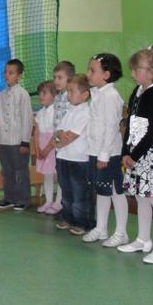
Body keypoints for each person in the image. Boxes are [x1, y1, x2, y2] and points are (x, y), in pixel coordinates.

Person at [117, 45, 153, 264]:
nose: (133, 73)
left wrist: (135, 155)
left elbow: (152, 132)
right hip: (134, 154)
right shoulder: (137, 92)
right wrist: (126, 151)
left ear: (152, 71)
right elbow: (129, 124)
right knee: (140, 197)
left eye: (136, 69)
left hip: (149, 156)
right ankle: (143, 239)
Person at [82, 53, 129, 247]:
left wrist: (104, 155)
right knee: (102, 191)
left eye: (92, 70)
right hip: (96, 151)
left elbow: (111, 127)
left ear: (106, 75)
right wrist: (91, 151)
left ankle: (121, 233)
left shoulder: (110, 96)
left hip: (109, 154)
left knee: (116, 191)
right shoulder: (97, 94)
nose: (88, 74)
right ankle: (101, 228)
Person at [54, 74, 92, 235]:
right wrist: (60, 137)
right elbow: (59, 130)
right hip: (63, 157)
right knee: (66, 191)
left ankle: (82, 223)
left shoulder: (86, 112)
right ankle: (68, 218)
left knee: (79, 193)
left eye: (72, 91)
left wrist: (59, 142)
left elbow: (71, 136)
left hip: (78, 159)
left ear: (85, 95)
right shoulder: (70, 110)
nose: (68, 95)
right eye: (68, 91)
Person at [0, 59, 33, 211]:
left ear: (19, 75)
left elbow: (27, 118)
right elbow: (0, 117)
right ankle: (9, 198)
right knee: (7, 171)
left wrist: (25, 141)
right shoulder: (0, 95)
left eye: (11, 72)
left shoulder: (23, 95)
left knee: (21, 171)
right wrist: (0, 138)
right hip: (4, 141)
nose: (7, 75)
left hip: (18, 141)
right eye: (5, 72)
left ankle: (23, 199)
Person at [45, 61, 76, 215]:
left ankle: (64, 203)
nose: (56, 81)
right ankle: (60, 202)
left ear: (69, 79)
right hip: (59, 143)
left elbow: (70, 122)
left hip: (68, 143)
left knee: (68, 177)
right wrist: (55, 140)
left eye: (60, 77)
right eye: (54, 77)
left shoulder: (70, 98)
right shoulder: (58, 98)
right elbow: (56, 122)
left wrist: (63, 139)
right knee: (61, 175)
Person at [34, 80, 57, 213]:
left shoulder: (56, 112)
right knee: (47, 176)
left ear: (54, 95)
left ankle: (59, 202)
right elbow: (37, 132)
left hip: (52, 148)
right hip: (42, 147)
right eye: (40, 93)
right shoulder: (40, 113)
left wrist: (47, 150)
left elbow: (56, 134)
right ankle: (48, 201)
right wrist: (37, 149)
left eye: (44, 93)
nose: (41, 96)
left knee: (58, 176)